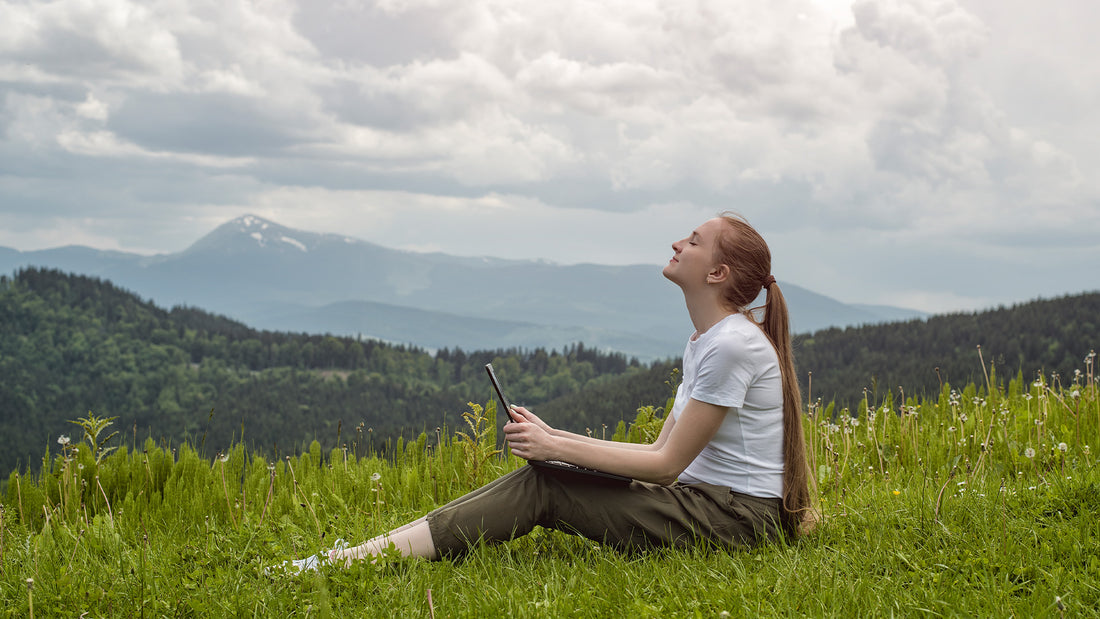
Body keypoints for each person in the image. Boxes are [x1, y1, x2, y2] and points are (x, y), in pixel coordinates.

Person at [279, 213, 813, 572]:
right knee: (548, 476)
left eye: (693, 242)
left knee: (547, 487)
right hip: (714, 506)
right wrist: (553, 439)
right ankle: (361, 555)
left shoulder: (732, 347)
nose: (677, 243)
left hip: (738, 521)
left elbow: (666, 465)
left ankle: (349, 562)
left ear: (717, 272)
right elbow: (654, 455)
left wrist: (556, 448)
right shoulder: (708, 340)